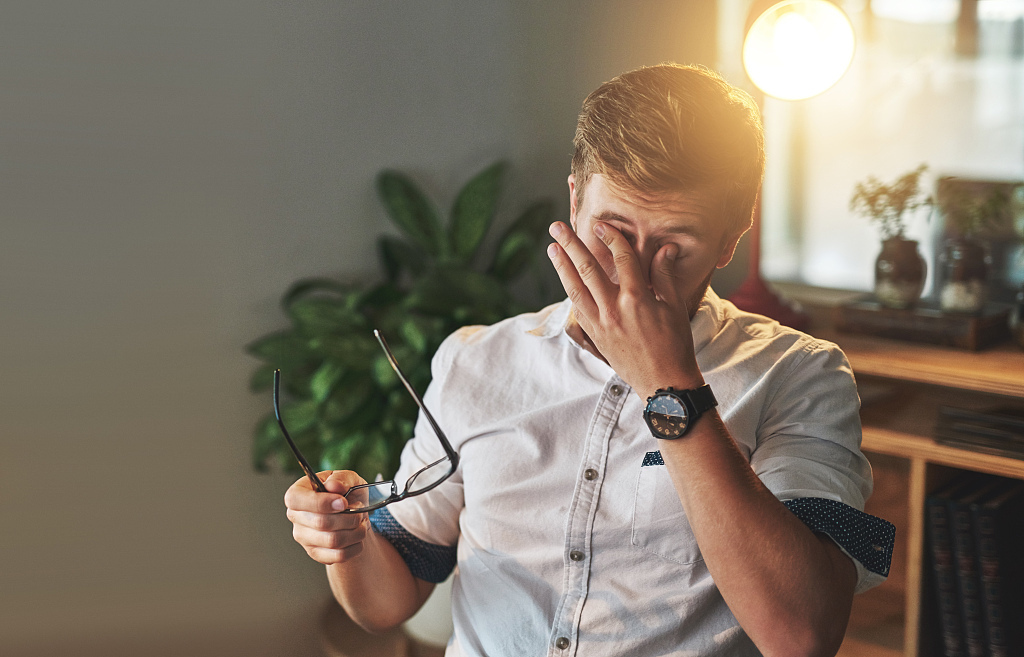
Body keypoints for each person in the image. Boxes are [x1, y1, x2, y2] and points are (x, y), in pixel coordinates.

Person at [283, 63, 894, 657]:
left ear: (734, 235)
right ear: (575, 201)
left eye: (675, 246)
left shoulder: (798, 374)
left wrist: (668, 383)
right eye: (613, 232)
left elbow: (802, 636)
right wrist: (347, 539)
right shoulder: (477, 360)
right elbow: (387, 603)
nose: (635, 274)